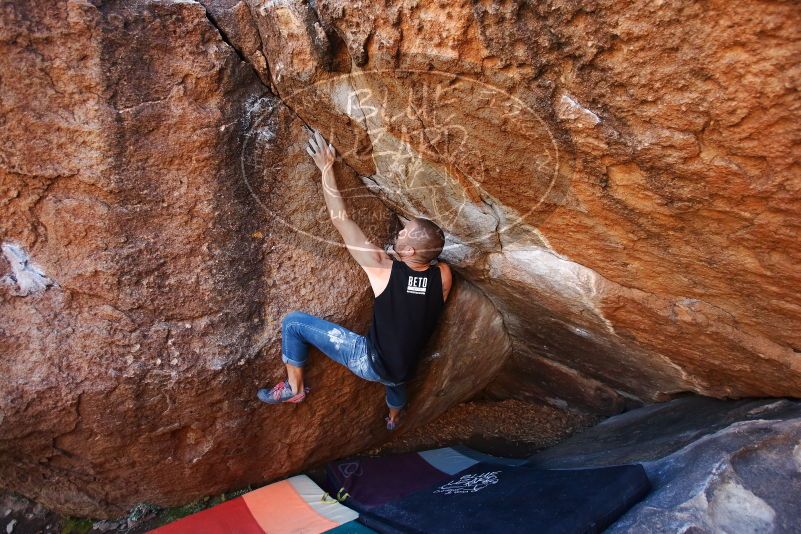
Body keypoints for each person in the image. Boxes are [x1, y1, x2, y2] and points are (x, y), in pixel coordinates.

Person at [257, 128, 452, 431]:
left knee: (293, 323)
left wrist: (326, 168)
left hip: (369, 362)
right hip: (404, 368)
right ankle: (393, 418)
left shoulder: (382, 268)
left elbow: (341, 220)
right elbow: (427, 259)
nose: (399, 231)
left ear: (410, 251)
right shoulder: (444, 276)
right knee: (396, 383)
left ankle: (295, 387)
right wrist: (407, 251)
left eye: (404, 233)